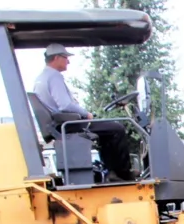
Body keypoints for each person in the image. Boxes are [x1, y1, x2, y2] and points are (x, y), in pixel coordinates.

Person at [33, 43, 135, 181]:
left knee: (107, 132)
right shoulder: (54, 76)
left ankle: (112, 172)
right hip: (68, 124)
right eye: (65, 57)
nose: (68, 61)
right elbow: (65, 105)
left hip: (59, 123)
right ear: (56, 58)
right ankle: (123, 173)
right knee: (117, 128)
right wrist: (86, 114)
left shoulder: (41, 78)